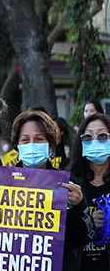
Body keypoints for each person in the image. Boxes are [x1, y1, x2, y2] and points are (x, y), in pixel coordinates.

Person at [0, 110, 94, 269]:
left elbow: (83, 238)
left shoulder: (68, 187)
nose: (32, 145)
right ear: (17, 147)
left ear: (50, 147)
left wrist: (79, 207)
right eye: (25, 140)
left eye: (38, 139)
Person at [70, 113, 110, 270]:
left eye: (102, 136)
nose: (95, 141)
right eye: (88, 137)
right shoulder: (71, 184)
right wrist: (87, 222)